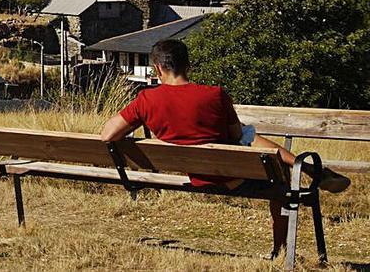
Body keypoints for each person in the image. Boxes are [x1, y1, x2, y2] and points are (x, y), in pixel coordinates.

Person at [99, 38, 350, 257]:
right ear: (188, 66)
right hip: (229, 177)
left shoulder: (146, 99)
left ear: (157, 68)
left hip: (191, 174)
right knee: (280, 181)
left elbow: (108, 134)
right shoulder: (214, 95)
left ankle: (308, 170)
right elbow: (237, 136)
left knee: (248, 138)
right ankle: (282, 242)